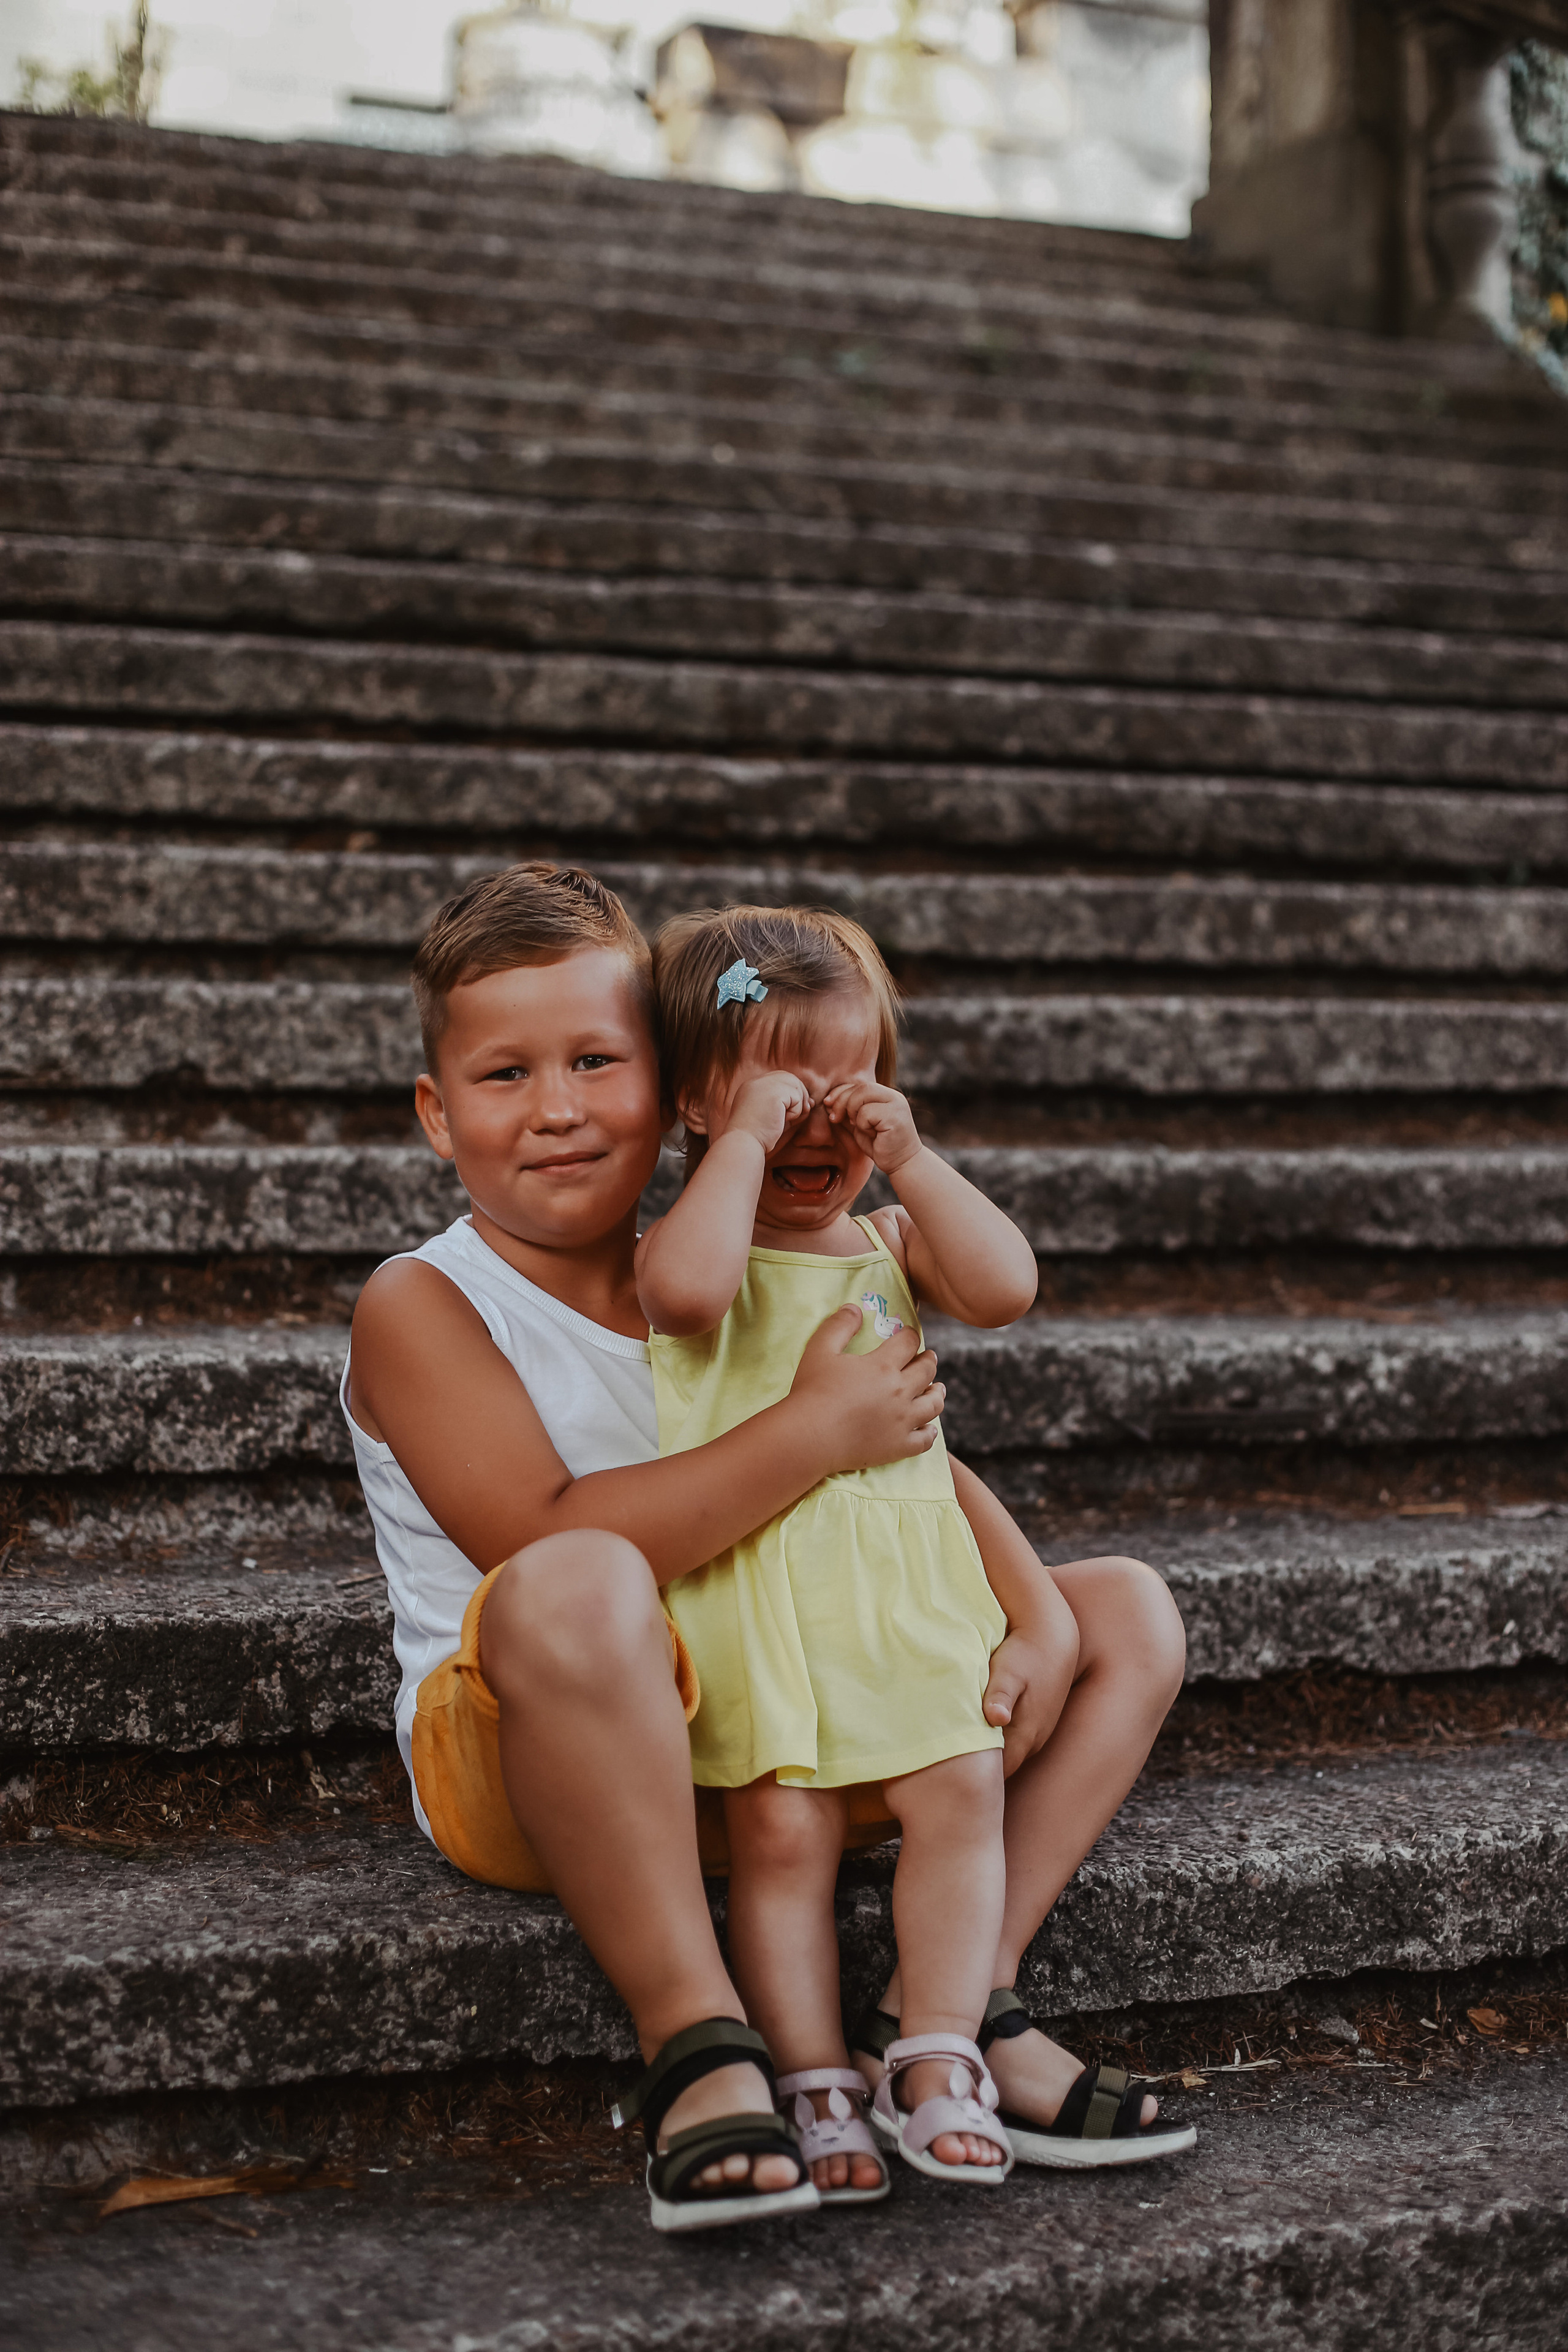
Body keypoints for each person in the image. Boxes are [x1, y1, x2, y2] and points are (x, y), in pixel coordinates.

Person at [342, 862, 1189, 2232]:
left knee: (1126, 1617)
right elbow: (543, 1546)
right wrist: (807, 1434)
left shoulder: (739, 1249)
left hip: (767, 1717)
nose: (556, 1107)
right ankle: (696, 2044)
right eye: (505, 1077)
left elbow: (891, 1458)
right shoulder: (427, 1301)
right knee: (580, 1577)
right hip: (535, 1752)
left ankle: (956, 2011)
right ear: (438, 1116)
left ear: (674, 1080)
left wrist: (1030, 1607)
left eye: (595, 1062)